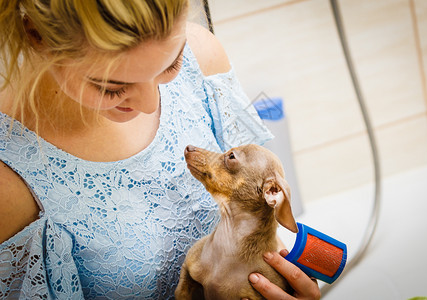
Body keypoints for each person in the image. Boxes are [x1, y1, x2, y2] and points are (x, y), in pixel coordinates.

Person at [0, 0, 321, 299]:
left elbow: (259, 236)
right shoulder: (9, 171)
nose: (151, 103)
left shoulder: (203, 56)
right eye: (112, 87)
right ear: (36, 34)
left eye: (171, 63)